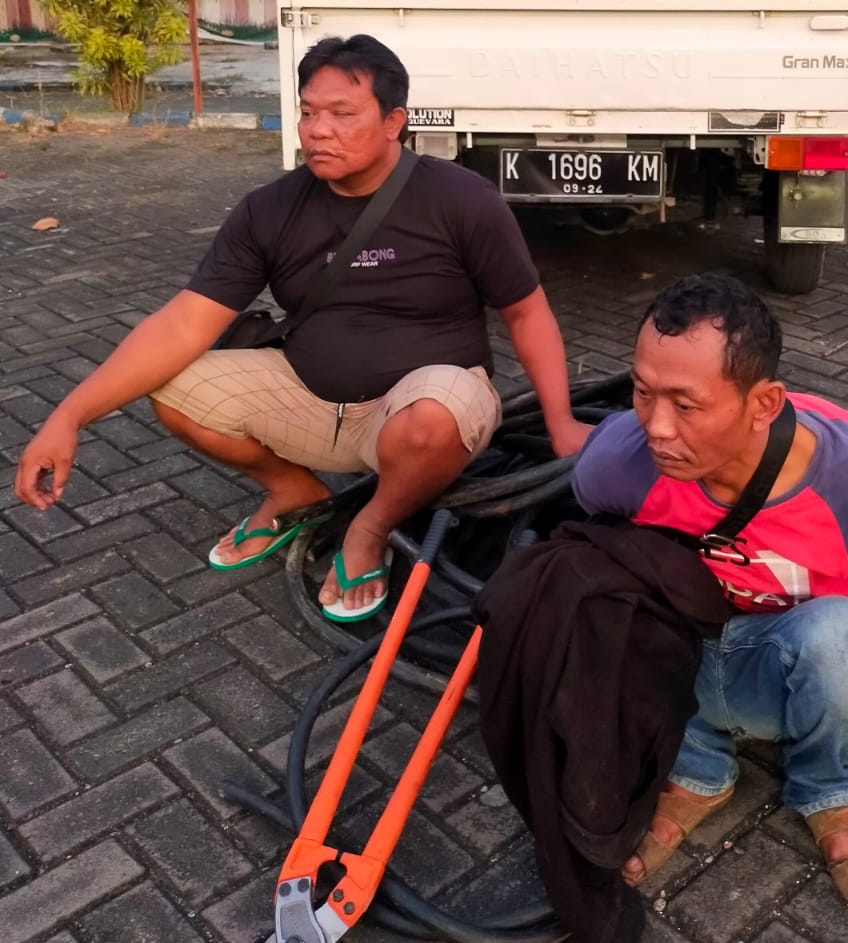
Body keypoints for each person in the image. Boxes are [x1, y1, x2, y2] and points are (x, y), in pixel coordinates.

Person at [15, 33, 590, 621]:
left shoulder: (461, 198)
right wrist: (70, 416)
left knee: (434, 415)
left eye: (342, 114)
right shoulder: (270, 209)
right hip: (312, 399)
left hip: (426, 410)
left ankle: (370, 526)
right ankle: (296, 491)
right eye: (309, 112)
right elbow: (183, 323)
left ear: (394, 123)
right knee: (174, 387)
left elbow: (526, 311)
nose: (318, 130)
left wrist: (561, 423)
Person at [571, 272, 848, 927]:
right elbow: (593, 528)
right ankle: (696, 766)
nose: (656, 428)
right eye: (643, 392)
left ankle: (828, 787)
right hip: (683, 660)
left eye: (687, 405)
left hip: (796, 666)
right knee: (582, 588)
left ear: (764, 403)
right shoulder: (619, 464)